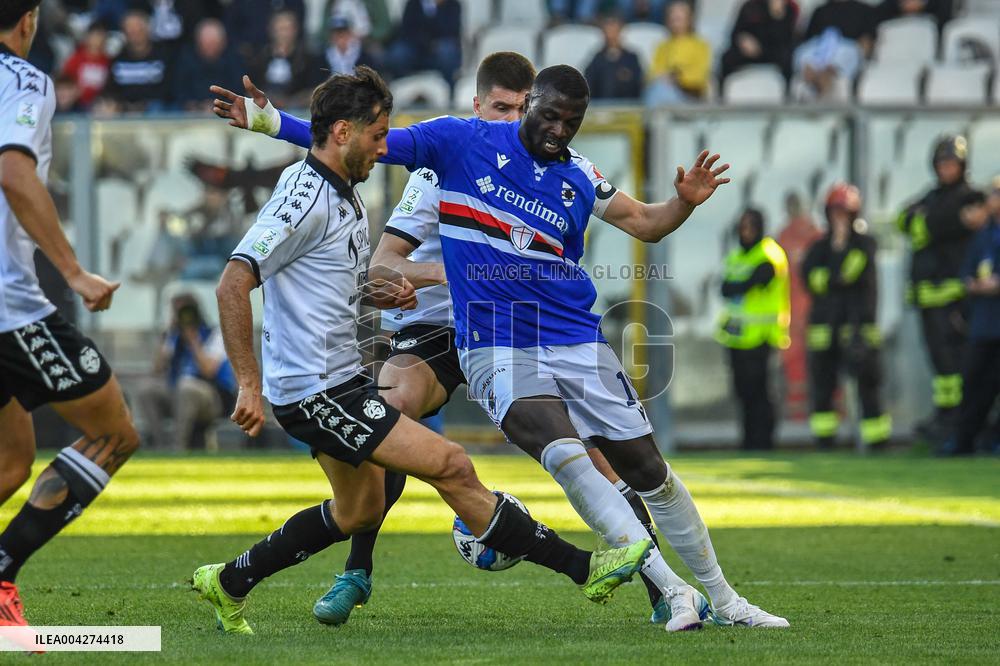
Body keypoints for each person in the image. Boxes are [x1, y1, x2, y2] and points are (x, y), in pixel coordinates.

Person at [220, 64, 790, 630]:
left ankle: (706, 598)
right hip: (464, 337)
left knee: (641, 468)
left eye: (566, 120)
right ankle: (359, 567)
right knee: (410, 419)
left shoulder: (577, 173)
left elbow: (644, 222)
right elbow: (362, 164)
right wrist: (273, 123)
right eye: (519, 110)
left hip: (567, 334)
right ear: (480, 105)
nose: (549, 128)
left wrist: (685, 202)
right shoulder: (446, 151)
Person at [0, 0, 140, 627]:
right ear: (29, 20)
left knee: (10, 459)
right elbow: (13, 170)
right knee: (115, 432)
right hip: (9, 307)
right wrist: (74, 272)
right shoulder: (23, 80)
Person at [897, 135, 986, 442]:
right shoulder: (932, 196)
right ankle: (947, 415)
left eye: (952, 163)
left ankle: (963, 419)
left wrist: (928, 226)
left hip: (954, 295)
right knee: (939, 363)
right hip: (927, 294)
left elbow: (931, 225)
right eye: (942, 164)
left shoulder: (972, 196)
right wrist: (939, 224)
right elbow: (903, 220)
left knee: (957, 361)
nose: (946, 169)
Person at [802, 184, 891, 449]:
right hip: (824, 331)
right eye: (835, 211)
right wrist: (831, 276)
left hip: (858, 329)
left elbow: (847, 274)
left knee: (868, 388)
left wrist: (838, 253)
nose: (839, 217)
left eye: (845, 212)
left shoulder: (865, 244)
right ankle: (824, 442)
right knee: (823, 390)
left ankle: (877, 444)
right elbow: (810, 279)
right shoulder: (817, 247)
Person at [715, 208, 790, 451]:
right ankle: (748, 441)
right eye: (742, 227)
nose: (745, 232)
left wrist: (739, 285)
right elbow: (725, 288)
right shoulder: (737, 255)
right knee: (743, 392)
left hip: (762, 337)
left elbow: (751, 282)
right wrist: (740, 285)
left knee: (761, 393)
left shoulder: (769, 254)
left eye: (750, 227)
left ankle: (765, 442)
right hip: (737, 337)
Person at [940, 179, 1000, 456]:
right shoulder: (983, 236)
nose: (993, 199)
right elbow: (967, 273)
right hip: (984, 325)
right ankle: (963, 440)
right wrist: (975, 284)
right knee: (974, 382)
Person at [136, 293, 236, 451]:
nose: (181, 316)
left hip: (212, 398)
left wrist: (193, 340)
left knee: (186, 387)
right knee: (146, 390)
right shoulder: (173, 336)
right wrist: (167, 336)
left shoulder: (214, 334)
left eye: (184, 311)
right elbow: (157, 370)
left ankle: (178, 447)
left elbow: (209, 370)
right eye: (176, 311)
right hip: (177, 392)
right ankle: (160, 445)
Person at [776, 191, 822, 420]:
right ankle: (798, 416)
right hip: (792, 312)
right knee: (795, 366)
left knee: (821, 362)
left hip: (812, 310)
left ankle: (829, 415)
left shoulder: (814, 235)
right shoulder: (784, 236)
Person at [246, 10, 322, 110]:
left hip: (299, 112)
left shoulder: (309, 58)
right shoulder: (259, 58)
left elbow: (316, 91)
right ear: (271, 30)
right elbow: (248, 89)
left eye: (287, 29)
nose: (284, 34)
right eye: (280, 29)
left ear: (295, 30)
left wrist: (291, 102)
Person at [99, 9, 172, 113]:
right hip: (124, 107)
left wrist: (143, 105)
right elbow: (111, 88)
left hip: (154, 107)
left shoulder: (163, 55)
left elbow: (168, 88)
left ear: (147, 28)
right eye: (130, 28)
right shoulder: (118, 57)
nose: (134, 31)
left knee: (157, 108)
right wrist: (123, 104)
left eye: (138, 27)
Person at [646, 0, 712, 105]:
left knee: (659, 92)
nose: (675, 22)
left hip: (690, 96)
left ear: (689, 20)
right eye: (672, 19)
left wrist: (677, 77)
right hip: (664, 91)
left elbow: (700, 76)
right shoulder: (662, 46)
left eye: (679, 19)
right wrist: (663, 77)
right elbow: (651, 74)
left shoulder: (700, 45)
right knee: (658, 90)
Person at [383, 0, 461, 87]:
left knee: (447, 51)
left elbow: (451, 32)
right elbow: (407, 31)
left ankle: (449, 88)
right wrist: (427, 44)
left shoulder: (453, 4)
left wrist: (437, 8)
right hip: (416, 49)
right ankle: (398, 87)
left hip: (437, 51)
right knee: (398, 53)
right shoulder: (413, 3)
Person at [172, 18, 243, 112]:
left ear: (222, 43)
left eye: (213, 44)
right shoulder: (186, 59)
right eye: (205, 44)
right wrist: (193, 105)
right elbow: (179, 89)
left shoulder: (234, 60)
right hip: (191, 111)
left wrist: (218, 105)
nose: (209, 48)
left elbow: (238, 90)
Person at [720, 0, 796, 84]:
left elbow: (786, 40)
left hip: (772, 52)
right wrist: (742, 40)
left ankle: (788, 93)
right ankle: (722, 91)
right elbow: (735, 33)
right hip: (748, 52)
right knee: (727, 58)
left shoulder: (789, 8)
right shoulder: (749, 6)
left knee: (788, 58)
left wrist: (778, 16)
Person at [584, 14, 643, 101]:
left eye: (614, 31)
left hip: (627, 107)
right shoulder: (597, 58)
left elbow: (638, 83)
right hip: (600, 107)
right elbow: (588, 82)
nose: (611, 35)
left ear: (620, 32)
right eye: (608, 31)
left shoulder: (632, 58)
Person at [60, 21, 110, 110]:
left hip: (99, 104)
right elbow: (66, 80)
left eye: (100, 36)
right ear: (88, 37)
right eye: (94, 35)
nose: (97, 40)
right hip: (77, 104)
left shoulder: (107, 61)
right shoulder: (76, 58)